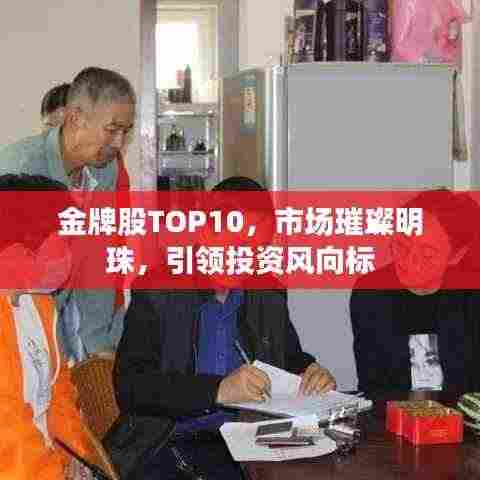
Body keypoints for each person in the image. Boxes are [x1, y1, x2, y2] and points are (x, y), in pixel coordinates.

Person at [111, 176, 337, 480]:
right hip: (172, 444)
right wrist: (217, 390)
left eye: (257, 249)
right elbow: (132, 387)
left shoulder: (268, 292)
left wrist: (311, 371)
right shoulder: (157, 290)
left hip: (254, 441)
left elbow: (289, 357)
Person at [0, 66, 136, 361]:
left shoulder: (106, 169)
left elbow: (98, 256)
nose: (118, 143)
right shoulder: (22, 168)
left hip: (57, 314)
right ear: (76, 118)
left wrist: (97, 343)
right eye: (112, 129)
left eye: (125, 131)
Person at [0, 174, 95, 479]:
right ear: (25, 244)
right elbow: (8, 434)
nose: (70, 253)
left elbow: (59, 393)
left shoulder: (39, 304)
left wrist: (76, 457)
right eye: (64, 240)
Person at [350, 190, 480, 394]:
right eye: (402, 245)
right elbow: (374, 384)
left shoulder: (471, 295)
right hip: (392, 410)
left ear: (456, 256)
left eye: (427, 254)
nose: (409, 261)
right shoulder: (371, 292)